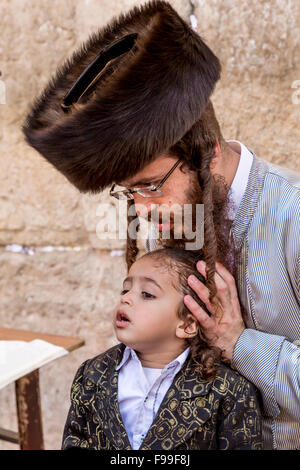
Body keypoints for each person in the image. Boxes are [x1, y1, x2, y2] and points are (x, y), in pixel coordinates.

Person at [22, 1, 299, 449]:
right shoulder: (174, 214)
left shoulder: (294, 214)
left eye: (150, 186)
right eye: (129, 192)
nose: (144, 211)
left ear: (207, 153)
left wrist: (238, 341)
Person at [62, 247, 262, 450]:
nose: (126, 298)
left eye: (147, 294)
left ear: (187, 325)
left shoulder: (229, 391)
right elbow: (75, 441)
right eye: (125, 289)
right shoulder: (91, 374)